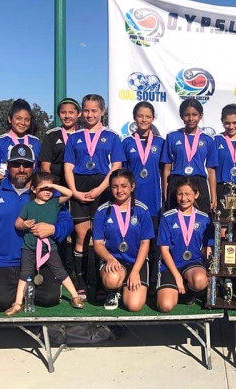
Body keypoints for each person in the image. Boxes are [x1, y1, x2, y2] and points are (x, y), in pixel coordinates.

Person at [0, 144, 74, 311]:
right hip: (2, 260)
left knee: (49, 298)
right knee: (0, 303)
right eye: (16, 164)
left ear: (33, 166)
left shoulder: (45, 191)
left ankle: (27, 291)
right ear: (8, 165)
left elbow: (67, 221)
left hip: (39, 259)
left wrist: (55, 229)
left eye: (26, 165)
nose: (21, 169)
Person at [64, 94, 125, 298]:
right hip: (79, 185)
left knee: (100, 235)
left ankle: (100, 282)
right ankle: (81, 281)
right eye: (87, 110)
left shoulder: (112, 137)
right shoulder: (74, 137)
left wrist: (100, 189)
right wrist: (74, 192)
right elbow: (68, 167)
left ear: (102, 112)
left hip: (103, 186)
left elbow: (116, 167)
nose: (90, 114)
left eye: (94, 111)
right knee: (81, 236)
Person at [5, 172, 84, 315]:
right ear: (34, 190)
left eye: (50, 189)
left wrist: (52, 185)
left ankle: (75, 296)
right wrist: (24, 225)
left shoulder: (54, 203)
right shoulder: (28, 206)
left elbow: (69, 193)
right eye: (43, 189)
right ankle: (17, 303)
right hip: (29, 247)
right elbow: (17, 223)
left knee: (59, 271)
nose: (48, 192)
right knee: (25, 274)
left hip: (49, 247)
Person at [92, 169, 154, 311]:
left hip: (136, 262)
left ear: (132, 187)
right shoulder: (102, 211)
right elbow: (98, 244)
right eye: (115, 186)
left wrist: (135, 271)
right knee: (112, 279)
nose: (119, 190)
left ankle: (126, 284)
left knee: (134, 306)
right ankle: (112, 291)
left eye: (124, 186)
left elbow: (145, 243)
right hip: (114, 260)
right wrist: (110, 259)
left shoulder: (142, 210)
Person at [121, 101, 164, 289]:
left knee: (154, 244)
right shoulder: (127, 143)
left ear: (153, 118)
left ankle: (153, 283)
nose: (144, 119)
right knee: (133, 241)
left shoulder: (161, 143)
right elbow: (122, 175)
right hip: (133, 202)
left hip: (154, 202)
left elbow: (166, 173)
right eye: (140, 116)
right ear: (134, 118)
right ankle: (131, 279)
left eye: (148, 116)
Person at [156, 179, 213, 313]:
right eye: (180, 194)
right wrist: (177, 277)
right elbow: (164, 251)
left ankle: (190, 292)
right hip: (170, 265)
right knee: (166, 306)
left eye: (188, 194)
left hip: (192, 263)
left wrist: (211, 271)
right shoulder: (167, 217)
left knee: (200, 280)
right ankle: (179, 288)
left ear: (196, 194)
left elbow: (207, 249)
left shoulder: (204, 218)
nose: (184, 198)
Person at [161, 98, 218, 215]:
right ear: (181, 116)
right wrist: (166, 194)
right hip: (177, 181)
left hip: (199, 182)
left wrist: (214, 196)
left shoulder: (208, 139)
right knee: (174, 219)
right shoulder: (172, 137)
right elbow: (166, 169)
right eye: (187, 115)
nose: (191, 118)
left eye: (195, 115)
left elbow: (211, 171)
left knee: (200, 221)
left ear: (201, 116)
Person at [0, 99, 41, 180]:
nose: (23, 123)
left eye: (27, 119)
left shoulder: (35, 142)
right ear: (10, 119)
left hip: (29, 187)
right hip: (6, 186)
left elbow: (37, 169)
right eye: (19, 118)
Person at [39, 97, 82, 185]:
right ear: (58, 114)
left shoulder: (84, 134)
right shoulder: (51, 135)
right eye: (63, 112)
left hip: (79, 183)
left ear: (79, 114)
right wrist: (52, 186)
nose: (67, 116)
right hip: (57, 183)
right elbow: (45, 166)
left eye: (71, 112)